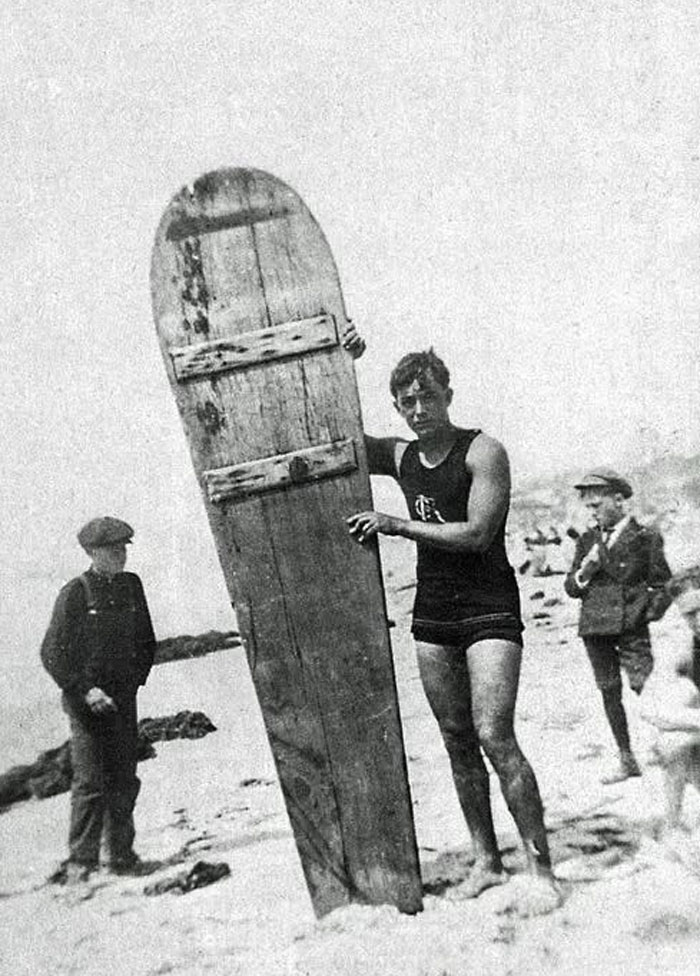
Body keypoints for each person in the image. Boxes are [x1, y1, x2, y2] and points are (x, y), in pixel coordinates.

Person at [342, 330, 561, 915]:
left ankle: (542, 869)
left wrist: (397, 525)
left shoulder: (481, 450)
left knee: (494, 734)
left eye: (427, 398)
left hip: (489, 604)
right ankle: (486, 861)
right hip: (433, 611)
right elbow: (340, 437)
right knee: (457, 740)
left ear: (448, 394)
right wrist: (343, 362)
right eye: (406, 403)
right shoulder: (400, 455)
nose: (417, 411)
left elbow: (477, 534)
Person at [40, 517, 156, 882]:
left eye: (123, 549)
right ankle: (81, 864)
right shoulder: (75, 592)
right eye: (112, 550)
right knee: (90, 784)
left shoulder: (131, 586)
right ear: (91, 553)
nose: (120, 555)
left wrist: (133, 682)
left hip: (121, 701)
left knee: (125, 778)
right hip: (85, 704)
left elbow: (146, 640)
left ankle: (121, 857)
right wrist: (87, 690)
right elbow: (52, 653)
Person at [564, 469, 672, 783]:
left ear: (619, 500)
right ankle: (626, 758)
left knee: (645, 686)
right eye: (589, 506)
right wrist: (586, 569)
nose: (592, 511)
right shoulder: (587, 540)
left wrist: (645, 612)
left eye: (597, 504)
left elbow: (663, 584)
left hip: (631, 626)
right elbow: (571, 587)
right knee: (609, 692)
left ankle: (669, 748)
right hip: (595, 627)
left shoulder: (645, 536)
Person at [640, 579, 700, 840]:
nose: (699, 619)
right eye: (690, 614)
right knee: (674, 740)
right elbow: (648, 707)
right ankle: (672, 822)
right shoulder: (680, 645)